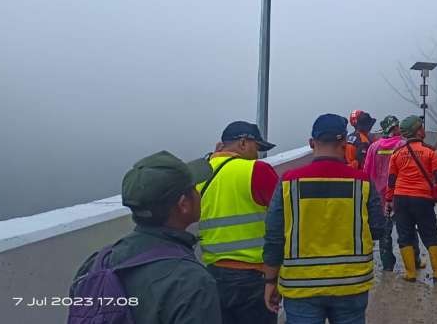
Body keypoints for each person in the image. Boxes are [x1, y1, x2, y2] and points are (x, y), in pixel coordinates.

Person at [70, 151, 221, 324]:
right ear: (183, 204)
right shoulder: (192, 282)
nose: (198, 193)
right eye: (194, 188)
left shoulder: (96, 264)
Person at [263, 114, 384, 324]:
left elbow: (274, 236)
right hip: (351, 282)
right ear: (345, 142)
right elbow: (378, 229)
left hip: (301, 285)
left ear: (311, 143)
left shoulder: (289, 182)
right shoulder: (362, 182)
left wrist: (271, 280)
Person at [198, 121, 280, 324]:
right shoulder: (257, 170)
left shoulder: (200, 174)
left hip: (212, 275)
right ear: (243, 142)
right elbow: (284, 218)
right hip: (252, 278)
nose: (258, 153)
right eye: (257, 147)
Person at [386, 115, 437, 282]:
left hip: (401, 199)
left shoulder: (397, 154)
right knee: (430, 233)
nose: (423, 129)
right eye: (421, 127)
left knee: (404, 234)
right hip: (422, 199)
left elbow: (391, 179)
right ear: (418, 130)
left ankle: (410, 273)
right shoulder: (430, 151)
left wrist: (388, 200)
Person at [363, 115, 423, 271]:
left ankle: (387, 265)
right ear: (395, 128)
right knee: (408, 230)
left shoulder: (373, 147)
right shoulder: (403, 145)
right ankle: (414, 262)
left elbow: (366, 172)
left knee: (385, 233)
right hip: (402, 195)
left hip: (380, 198)